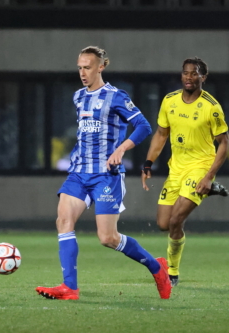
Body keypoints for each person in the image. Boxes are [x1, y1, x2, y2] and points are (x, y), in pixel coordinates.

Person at [35, 46, 172, 300]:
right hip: (79, 173)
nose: (82, 73)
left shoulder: (116, 96)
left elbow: (143, 126)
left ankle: (157, 267)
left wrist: (122, 148)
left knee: (107, 238)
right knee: (63, 221)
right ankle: (70, 288)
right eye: (79, 67)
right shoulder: (78, 97)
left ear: (101, 66)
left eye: (87, 67)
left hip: (106, 176)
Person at [141, 57, 229, 287]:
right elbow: (161, 134)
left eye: (194, 73)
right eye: (186, 73)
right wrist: (148, 163)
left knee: (176, 220)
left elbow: (225, 142)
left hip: (200, 168)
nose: (189, 77)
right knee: (164, 223)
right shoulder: (169, 101)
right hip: (176, 170)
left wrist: (208, 175)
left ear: (203, 77)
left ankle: (172, 272)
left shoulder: (211, 106)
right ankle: (210, 191)